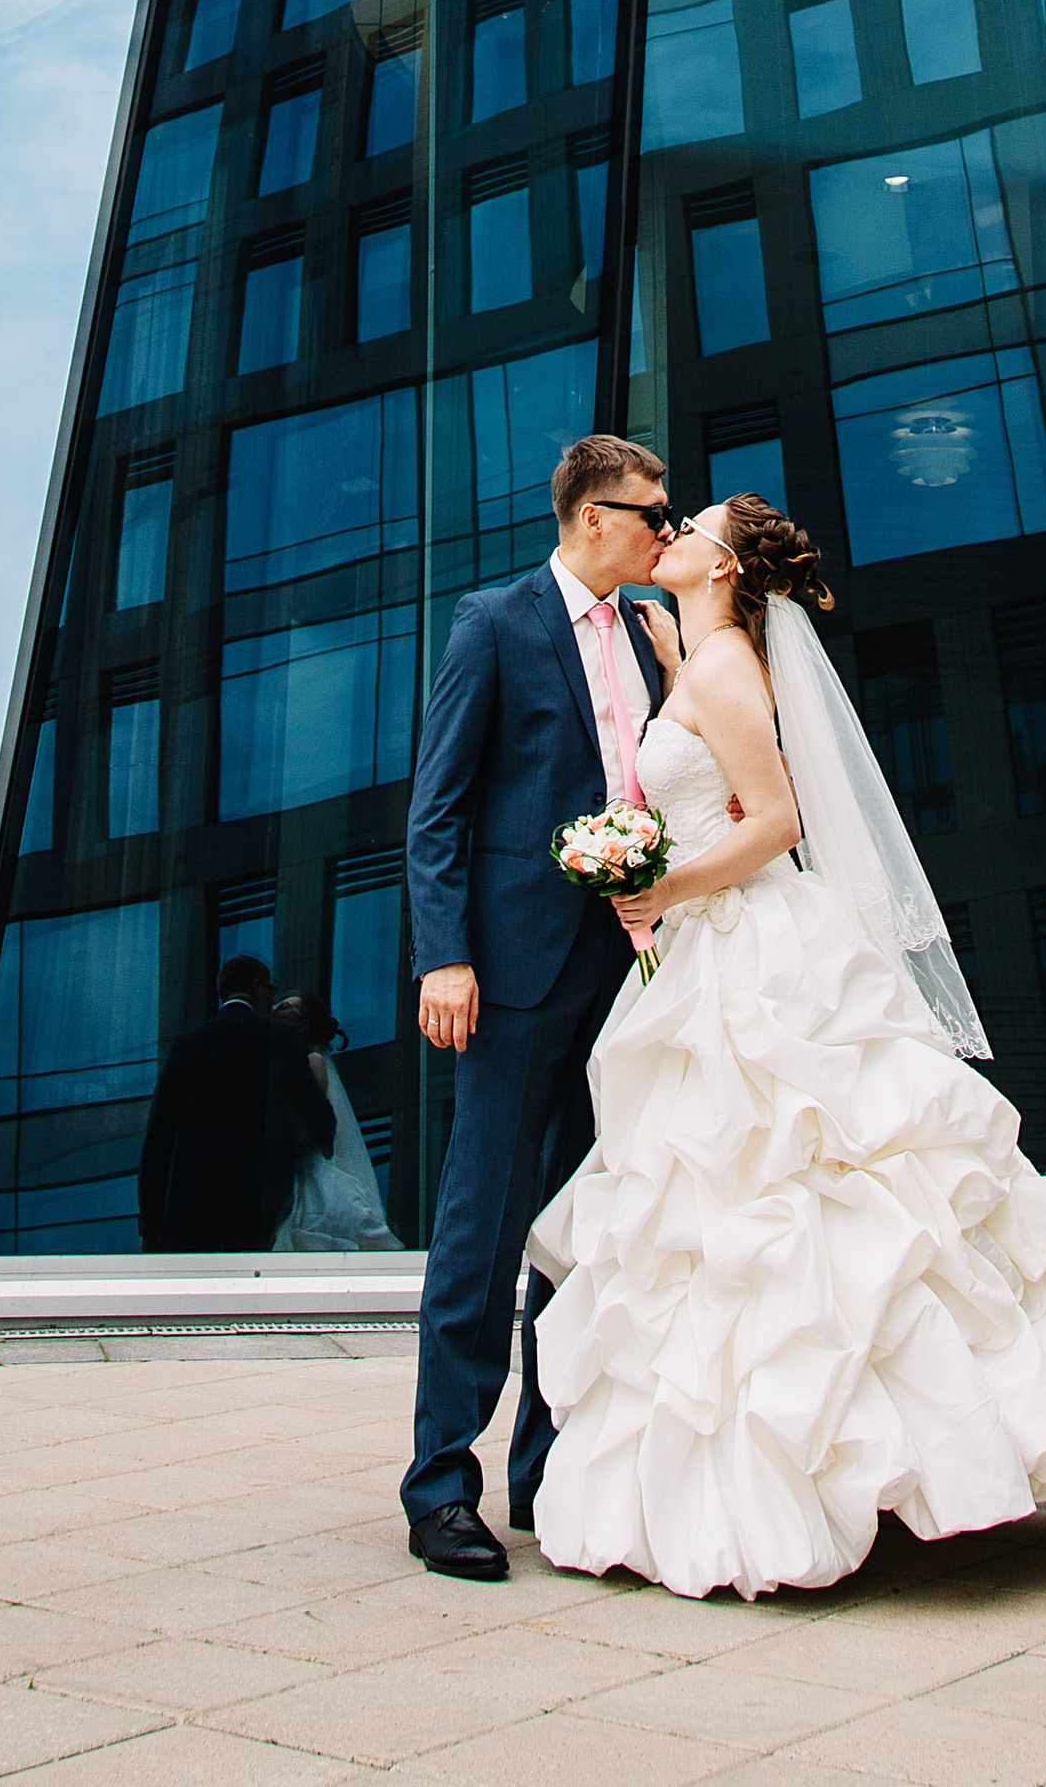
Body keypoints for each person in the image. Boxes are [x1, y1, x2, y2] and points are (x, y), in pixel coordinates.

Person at [527, 494, 1046, 1603]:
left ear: (723, 568)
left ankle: (842, 1470)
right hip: (708, 950)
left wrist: (658, 887)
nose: (673, 538)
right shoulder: (700, 654)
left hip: (747, 947)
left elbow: (778, 820)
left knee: (794, 1196)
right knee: (724, 1206)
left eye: (689, 530)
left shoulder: (727, 666)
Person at [400, 432, 679, 1581]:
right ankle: (439, 1489)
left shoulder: (652, 639)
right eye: (648, 510)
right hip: (511, 976)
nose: (664, 527)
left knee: (583, 1235)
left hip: (628, 976)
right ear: (588, 516)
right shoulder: (496, 622)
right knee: (483, 1228)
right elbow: (439, 808)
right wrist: (443, 958)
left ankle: (547, 1471)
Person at [136, 954, 335, 1253]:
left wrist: (150, 1225)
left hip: (189, 1209)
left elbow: (158, 1139)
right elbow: (313, 1110)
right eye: (270, 989)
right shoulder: (279, 1037)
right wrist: (325, 1135)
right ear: (257, 988)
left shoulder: (185, 1045)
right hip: (254, 1204)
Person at [271, 991, 402, 1250]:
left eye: (286, 1006)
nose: (276, 1008)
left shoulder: (313, 1062)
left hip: (305, 1168)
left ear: (303, 1024)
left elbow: (310, 1122)